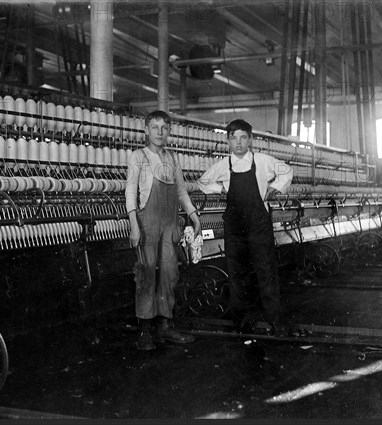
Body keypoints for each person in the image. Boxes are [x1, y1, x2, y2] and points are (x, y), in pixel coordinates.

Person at [198, 119, 293, 334]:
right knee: (237, 272)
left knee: (266, 270)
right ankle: (241, 322)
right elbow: (202, 182)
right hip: (235, 226)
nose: (238, 143)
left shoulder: (262, 160)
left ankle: (274, 320)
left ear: (250, 139)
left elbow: (287, 171)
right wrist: (222, 190)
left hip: (258, 224)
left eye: (243, 137)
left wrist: (275, 188)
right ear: (228, 141)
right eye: (233, 138)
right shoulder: (223, 165)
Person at [125, 110, 201, 351]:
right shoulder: (138, 156)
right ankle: (145, 330)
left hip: (170, 223)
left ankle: (165, 326)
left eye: (164, 128)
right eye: (154, 127)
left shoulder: (172, 158)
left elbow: (181, 192)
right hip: (147, 222)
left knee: (169, 273)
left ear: (169, 131)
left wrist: (193, 215)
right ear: (146, 130)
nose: (159, 132)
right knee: (146, 274)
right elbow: (130, 191)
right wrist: (134, 223)